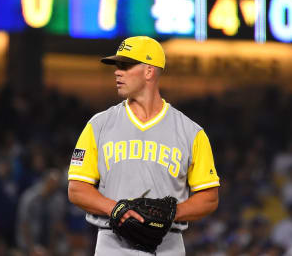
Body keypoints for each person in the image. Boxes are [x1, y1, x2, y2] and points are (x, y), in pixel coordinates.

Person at [67, 36, 220, 255]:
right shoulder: (99, 125)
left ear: (149, 71)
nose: (117, 72)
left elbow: (209, 197)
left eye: (126, 66)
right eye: (117, 66)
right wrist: (115, 208)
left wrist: (172, 213)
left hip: (167, 245)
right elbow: (76, 189)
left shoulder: (191, 132)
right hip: (112, 243)